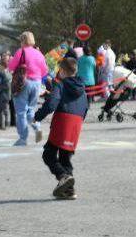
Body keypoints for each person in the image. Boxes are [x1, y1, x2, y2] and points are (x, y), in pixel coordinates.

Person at [32, 57, 88, 200]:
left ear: (62, 71)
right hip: (76, 123)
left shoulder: (61, 85)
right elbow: (86, 106)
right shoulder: (82, 87)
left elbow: (51, 104)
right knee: (65, 157)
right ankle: (69, 190)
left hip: (63, 120)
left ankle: (63, 176)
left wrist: (37, 116)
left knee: (48, 154)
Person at [8, 32, 48, 146]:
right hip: (37, 83)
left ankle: (23, 139)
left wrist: (12, 61)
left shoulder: (21, 52)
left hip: (23, 83)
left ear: (23, 41)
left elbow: (11, 67)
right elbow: (45, 70)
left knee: (21, 112)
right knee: (31, 110)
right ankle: (37, 127)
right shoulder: (39, 53)